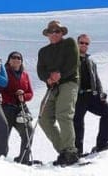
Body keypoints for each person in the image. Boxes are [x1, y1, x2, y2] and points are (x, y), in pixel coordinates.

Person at [36, 20, 81, 166]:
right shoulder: (43, 51)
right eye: (52, 32)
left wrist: (59, 74)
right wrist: (48, 79)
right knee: (43, 118)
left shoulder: (69, 43)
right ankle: (63, 151)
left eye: (57, 31)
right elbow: (40, 70)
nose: (54, 34)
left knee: (64, 114)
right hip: (52, 86)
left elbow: (73, 63)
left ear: (62, 32)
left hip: (68, 82)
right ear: (48, 34)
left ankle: (70, 150)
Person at [72, 34, 108, 154]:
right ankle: (77, 152)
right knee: (78, 123)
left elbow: (96, 79)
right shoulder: (71, 59)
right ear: (77, 43)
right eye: (82, 42)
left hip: (92, 95)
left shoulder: (90, 60)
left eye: (86, 43)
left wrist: (101, 93)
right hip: (78, 96)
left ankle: (101, 145)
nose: (84, 45)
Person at [0, 51, 36, 164]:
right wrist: (15, 96)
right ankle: (0, 158)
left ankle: (24, 158)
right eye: (13, 57)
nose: (16, 59)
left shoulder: (25, 75)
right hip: (6, 108)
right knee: (4, 134)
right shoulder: (4, 73)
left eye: (19, 58)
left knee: (28, 130)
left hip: (20, 109)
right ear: (9, 60)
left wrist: (23, 96)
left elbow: (30, 93)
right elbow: (0, 90)